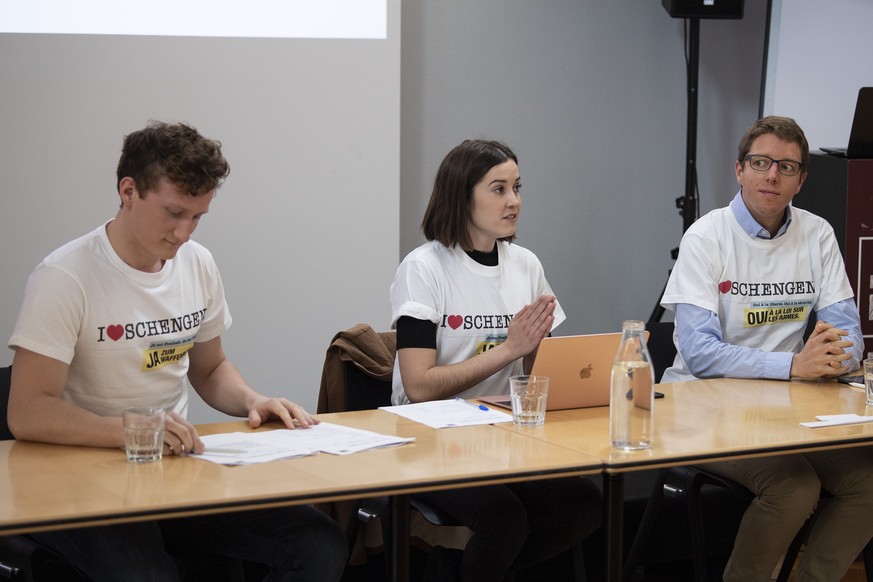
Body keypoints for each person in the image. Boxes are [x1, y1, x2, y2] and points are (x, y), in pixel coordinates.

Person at [7, 121, 348, 582]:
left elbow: (210, 369)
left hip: (173, 472)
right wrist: (129, 432)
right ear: (129, 191)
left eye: (197, 216)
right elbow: (27, 412)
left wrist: (252, 400)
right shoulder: (65, 278)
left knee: (317, 543)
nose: (184, 233)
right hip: (82, 479)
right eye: (173, 213)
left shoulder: (197, 264)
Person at [660, 115, 873, 582]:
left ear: (802, 179)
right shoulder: (706, 236)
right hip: (702, 409)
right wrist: (794, 365)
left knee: (868, 482)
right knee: (794, 489)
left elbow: (849, 332)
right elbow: (698, 351)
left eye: (787, 167)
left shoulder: (817, 233)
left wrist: (836, 355)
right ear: (739, 170)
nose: (772, 175)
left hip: (790, 408)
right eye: (761, 163)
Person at [390, 139, 602, 581]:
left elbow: (541, 366)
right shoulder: (423, 267)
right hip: (429, 437)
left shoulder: (525, 265)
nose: (515, 202)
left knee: (585, 504)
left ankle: (455, 571)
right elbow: (419, 386)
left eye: (518, 188)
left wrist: (573, 373)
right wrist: (508, 349)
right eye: (499, 189)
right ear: (461, 195)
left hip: (502, 433)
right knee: (504, 518)